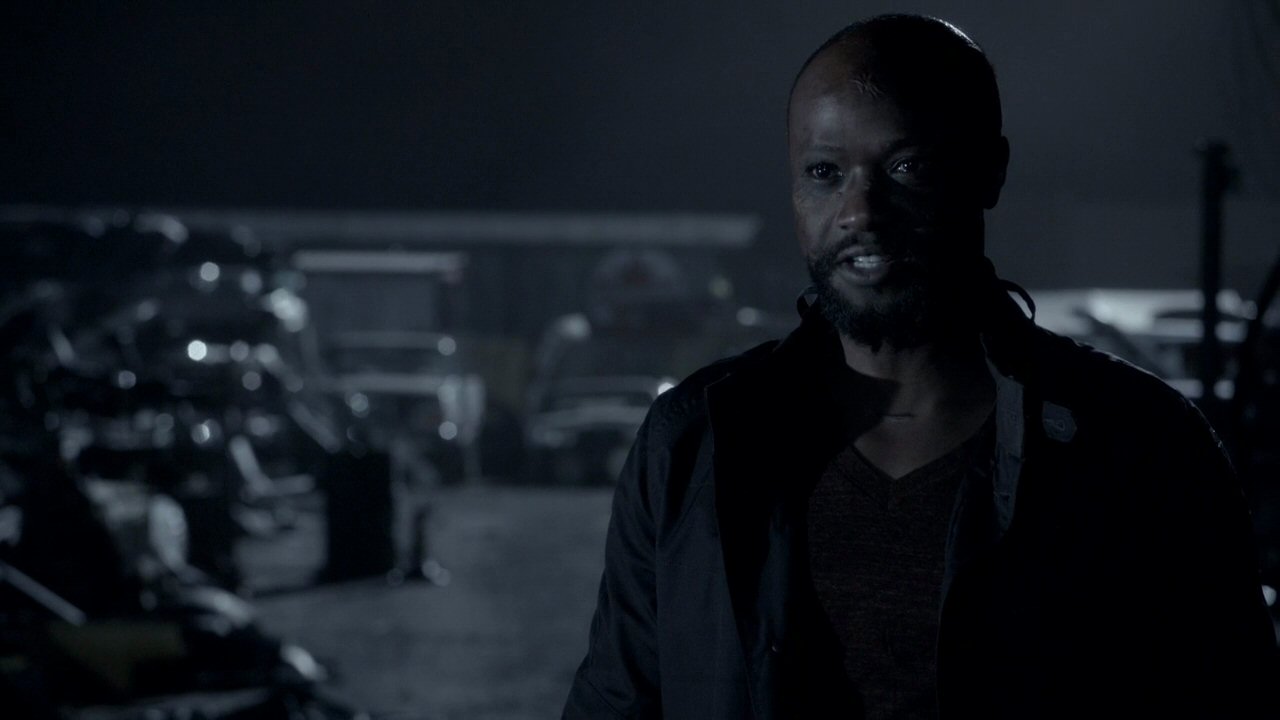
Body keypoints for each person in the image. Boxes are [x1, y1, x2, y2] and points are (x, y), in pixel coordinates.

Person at [562, 14, 1277, 719]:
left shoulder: (1140, 445)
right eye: (824, 173)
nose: (860, 211)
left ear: (990, 171)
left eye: (906, 167)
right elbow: (618, 701)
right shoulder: (695, 441)